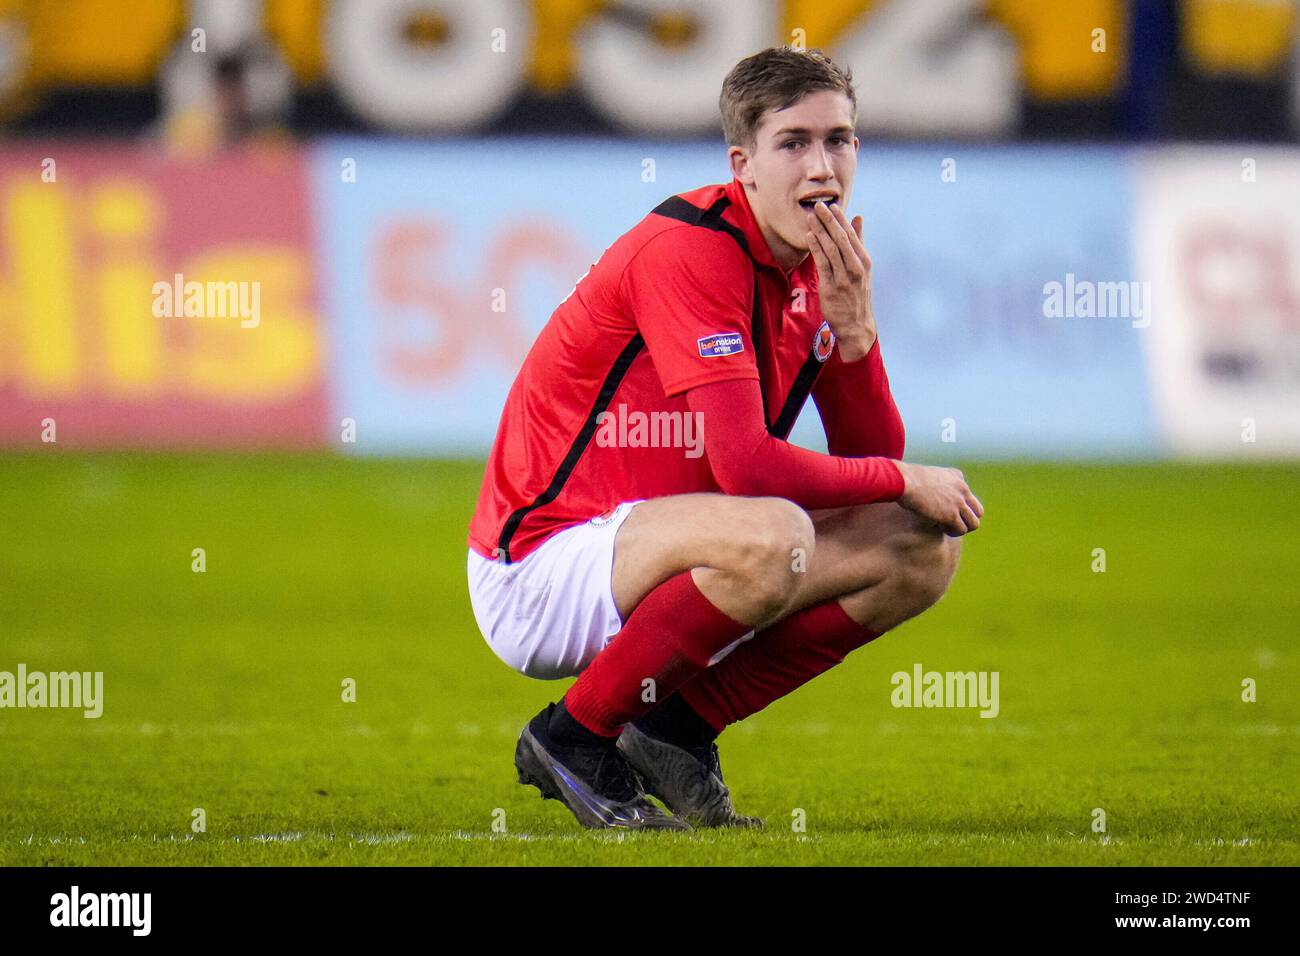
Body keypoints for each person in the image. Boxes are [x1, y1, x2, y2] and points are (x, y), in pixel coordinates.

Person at [467, 46, 983, 830]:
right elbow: (746, 467)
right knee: (777, 533)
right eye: (794, 143)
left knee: (921, 546)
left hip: (666, 554)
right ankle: (571, 736)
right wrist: (904, 477)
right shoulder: (693, 248)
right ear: (742, 163)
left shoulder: (816, 271)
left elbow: (863, 454)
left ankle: (674, 726)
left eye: (839, 140)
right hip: (542, 564)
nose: (822, 166)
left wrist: (856, 335)